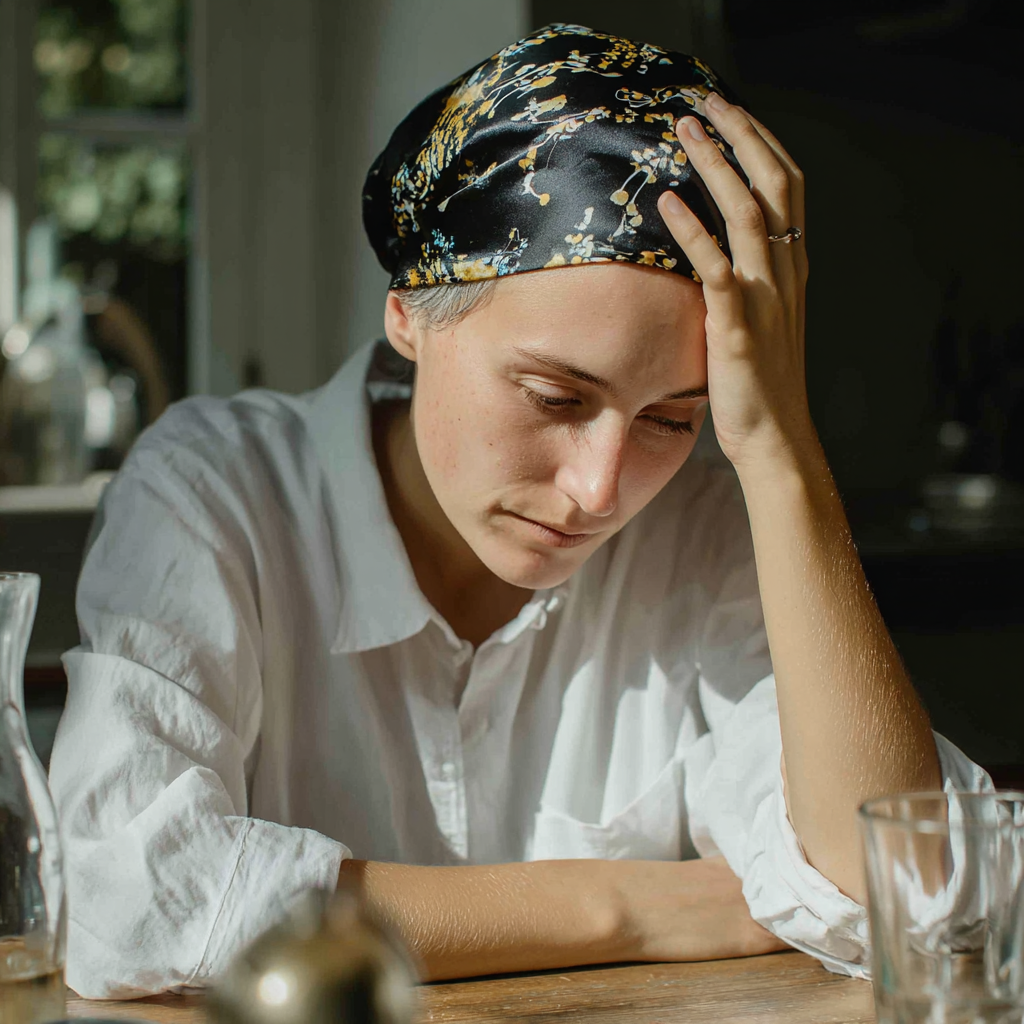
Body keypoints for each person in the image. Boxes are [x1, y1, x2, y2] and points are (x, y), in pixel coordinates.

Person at [49, 24, 989, 999]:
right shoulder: (217, 496)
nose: (599, 488)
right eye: (555, 398)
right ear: (410, 311)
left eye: (673, 417)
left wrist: (782, 450)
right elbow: (127, 896)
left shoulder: (705, 531)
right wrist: (635, 906)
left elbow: (914, 896)